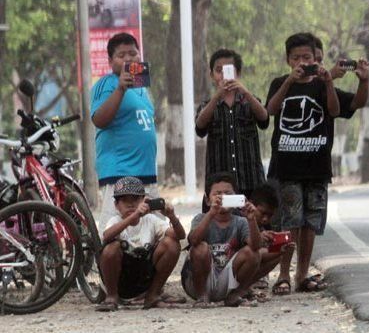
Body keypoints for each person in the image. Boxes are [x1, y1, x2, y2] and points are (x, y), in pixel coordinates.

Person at [265, 32, 340, 295]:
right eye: (296, 58)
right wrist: (289, 82)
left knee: (310, 223)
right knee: (290, 221)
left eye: (306, 57)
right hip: (288, 167)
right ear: (288, 60)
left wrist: (329, 82)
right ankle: (283, 274)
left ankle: (302, 273)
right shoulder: (279, 83)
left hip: (317, 167)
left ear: (316, 58)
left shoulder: (322, 83)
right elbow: (271, 110)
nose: (302, 62)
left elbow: (334, 111)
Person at [90, 32, 160, 236]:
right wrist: (120, 88)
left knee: (154, 233)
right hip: (120, 173)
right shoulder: (106, 84)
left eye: (133, 53)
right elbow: (99, 120)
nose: (129, 59)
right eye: (122, 55)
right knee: (115, 235)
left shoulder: (142, 88)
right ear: (111, 61)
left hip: (146, 173)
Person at [96, 177, 185, 312]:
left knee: (171, 244)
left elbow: (179, 236)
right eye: (125, 200)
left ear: (143, 201)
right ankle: (111, 296)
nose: (130, 204)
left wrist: (171, 216)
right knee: (110, 248)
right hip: (121, 279)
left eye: (135, 200)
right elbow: (106, 236)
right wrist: (135, 215)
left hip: (144, 277)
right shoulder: (115, 220)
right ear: (116, 205)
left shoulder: (150, 220)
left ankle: (153, 295)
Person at [195, 49, 269, 207]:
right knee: (218, 228)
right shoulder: (207, 105)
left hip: (251, 181)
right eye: (218, 70)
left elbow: (264, 120)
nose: (223, 75)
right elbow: (200, 128)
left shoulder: (250, 100)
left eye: (228, 70)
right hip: (218, 187)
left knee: (253, 227)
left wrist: (245, 92)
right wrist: (218, 95)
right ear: (212, 75)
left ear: (238, 73)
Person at [181, 172, 262, 307]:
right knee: (200, 248)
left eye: (228, 194)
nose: (223, 197)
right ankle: (202, 297)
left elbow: (256, 246)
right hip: (198, 281)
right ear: (207, 200)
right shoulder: (201, 218)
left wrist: (252, 220)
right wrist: (211, 213)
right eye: (218, 194)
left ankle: (235, 295)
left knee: (252, 253)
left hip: (226, 279)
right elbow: (193, 241)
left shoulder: (241, 222)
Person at [243, 181, 295, 298]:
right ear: (251, 205)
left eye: (270, 215)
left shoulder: (264, 226)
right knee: (254, 253)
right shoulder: (241, 220)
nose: (266, 219)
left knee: (277, 254)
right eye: (262, 213)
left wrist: (279, 249)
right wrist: (259, 239)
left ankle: (246, 286)